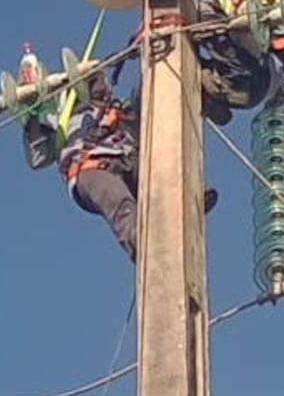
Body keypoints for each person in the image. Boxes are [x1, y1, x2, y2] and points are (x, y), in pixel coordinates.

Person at [23, 70, 217, 261]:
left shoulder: (117, 111)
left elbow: (146, 99)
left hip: (127, 159)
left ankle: (186, 196)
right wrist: (31, 116)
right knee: (120, 202)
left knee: (158, 168)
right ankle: (142, 243)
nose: (99, 90)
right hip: (90, 170)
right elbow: (38, 155)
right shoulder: (62, 125)